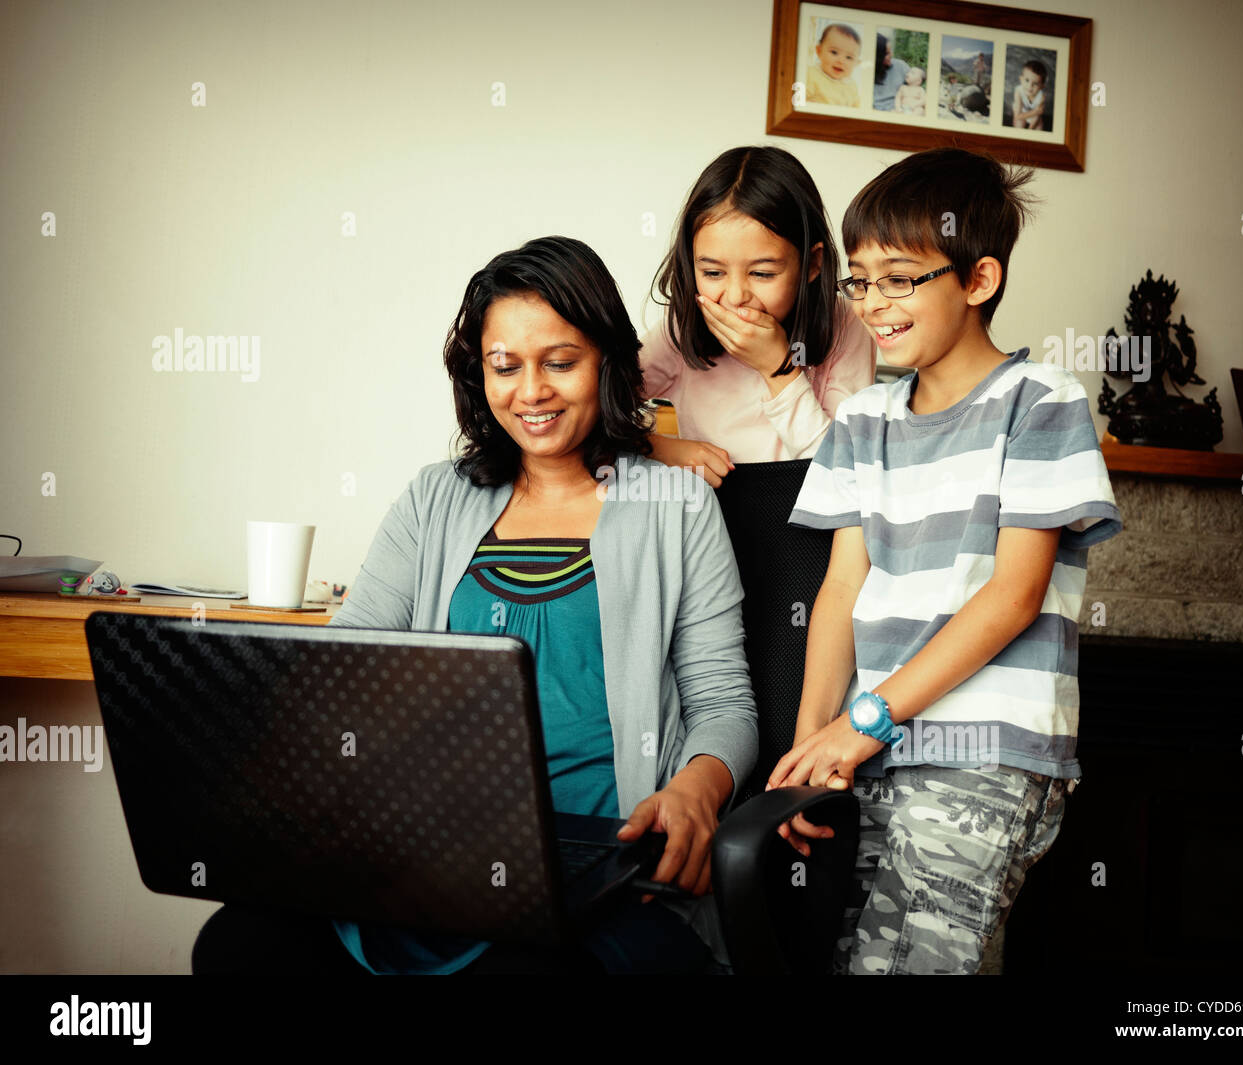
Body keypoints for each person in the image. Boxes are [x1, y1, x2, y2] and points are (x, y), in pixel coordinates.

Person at [193, 236, 757, 975]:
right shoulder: (436, 497)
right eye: (505, 365)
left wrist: (694, 788)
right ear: (478, 372)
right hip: (434, 848)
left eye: (560, 361)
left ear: (608, 364)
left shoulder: (677, 505)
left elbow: (724, 701)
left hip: (601, 850)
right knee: (236, 946)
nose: (532, 391)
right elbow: (346, 666)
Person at [767, 147, 1121, 975]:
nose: (873, 304)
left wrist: (862, 722)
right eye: (859, 280)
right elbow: (841, 589)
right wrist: (812, 742)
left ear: (979, 278)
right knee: (863, 956)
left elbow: (1013, 596)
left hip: (984, 751)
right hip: (874, 745)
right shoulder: (862, 419)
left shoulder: (1043, 403)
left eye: (899, 278)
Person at [641, 146, 875, 486]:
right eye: (713, 273)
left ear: (812, 264)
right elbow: (594, 410)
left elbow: (842, 471)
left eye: (763, 274)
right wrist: (656, 447)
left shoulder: (846, 323)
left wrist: (777, 368)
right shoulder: (685, 324)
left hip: (801, 519)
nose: (736, 297)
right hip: (707, 519)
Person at [805, 23, 862, 108]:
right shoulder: (809, 75)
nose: (841, 61)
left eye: (849, 57)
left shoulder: (852, 86)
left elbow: (857, 110)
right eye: (834, 52)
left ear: (856, 63)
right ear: (819, 51)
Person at [872, 33, 909, 111]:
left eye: (890, 51)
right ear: (877, 56)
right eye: (887, 54)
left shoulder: (901, 66)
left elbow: (915, 89)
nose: (891, 55)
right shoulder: (866, 73)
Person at [1013, 60, 1048, 129]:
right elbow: (1017, 115)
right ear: (1021, 79)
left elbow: (1037, 115)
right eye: (1027, 80)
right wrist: (1035, 111)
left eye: (1035, 83)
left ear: (1042, 86)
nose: (1030, 86)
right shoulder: (1018, 91)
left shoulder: (1041, 97)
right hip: (1021, 112)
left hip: (1034, 116)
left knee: (1039, 127)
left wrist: (1030, 129)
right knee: (1019, 125)